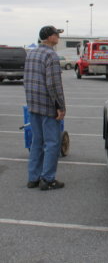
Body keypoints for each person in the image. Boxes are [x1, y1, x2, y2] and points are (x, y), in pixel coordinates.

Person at [24, 25, 66, 190]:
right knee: (52, 143)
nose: (58, 37)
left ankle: (33, 178)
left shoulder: (31, 53)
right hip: (48, 106)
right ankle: (48, 179)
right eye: (56, 34)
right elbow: (54, 85)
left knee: (36, 142)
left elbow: (26, 80)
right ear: (49, 37)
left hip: (33, 105)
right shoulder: (51, 56)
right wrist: (60, 107)